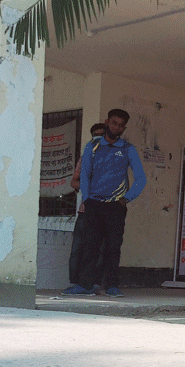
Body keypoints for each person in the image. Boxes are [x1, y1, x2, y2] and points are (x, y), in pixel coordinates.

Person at [63, 109, 146, 297]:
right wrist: (88, 198)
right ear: (107, 122)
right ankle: (85, 285)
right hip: (94, 204)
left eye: (120, 125)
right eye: (114, 122)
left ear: (123, 128)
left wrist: (126, 199)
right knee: (89, 246)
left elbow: (141, 178)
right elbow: (83, 175)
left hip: (116, 206)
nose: (116, 127)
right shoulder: (91, 147)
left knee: (112, 247)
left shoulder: (127, 149)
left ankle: (111, 286)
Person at [66, 123, 106, 291]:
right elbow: (73, 182)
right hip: (86, 211)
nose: (99, 137)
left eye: (102, 135)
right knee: (78, 249)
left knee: (100, 249)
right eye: (95, 135)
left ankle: (94, 284)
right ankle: (77, 283)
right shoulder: (86, 158)